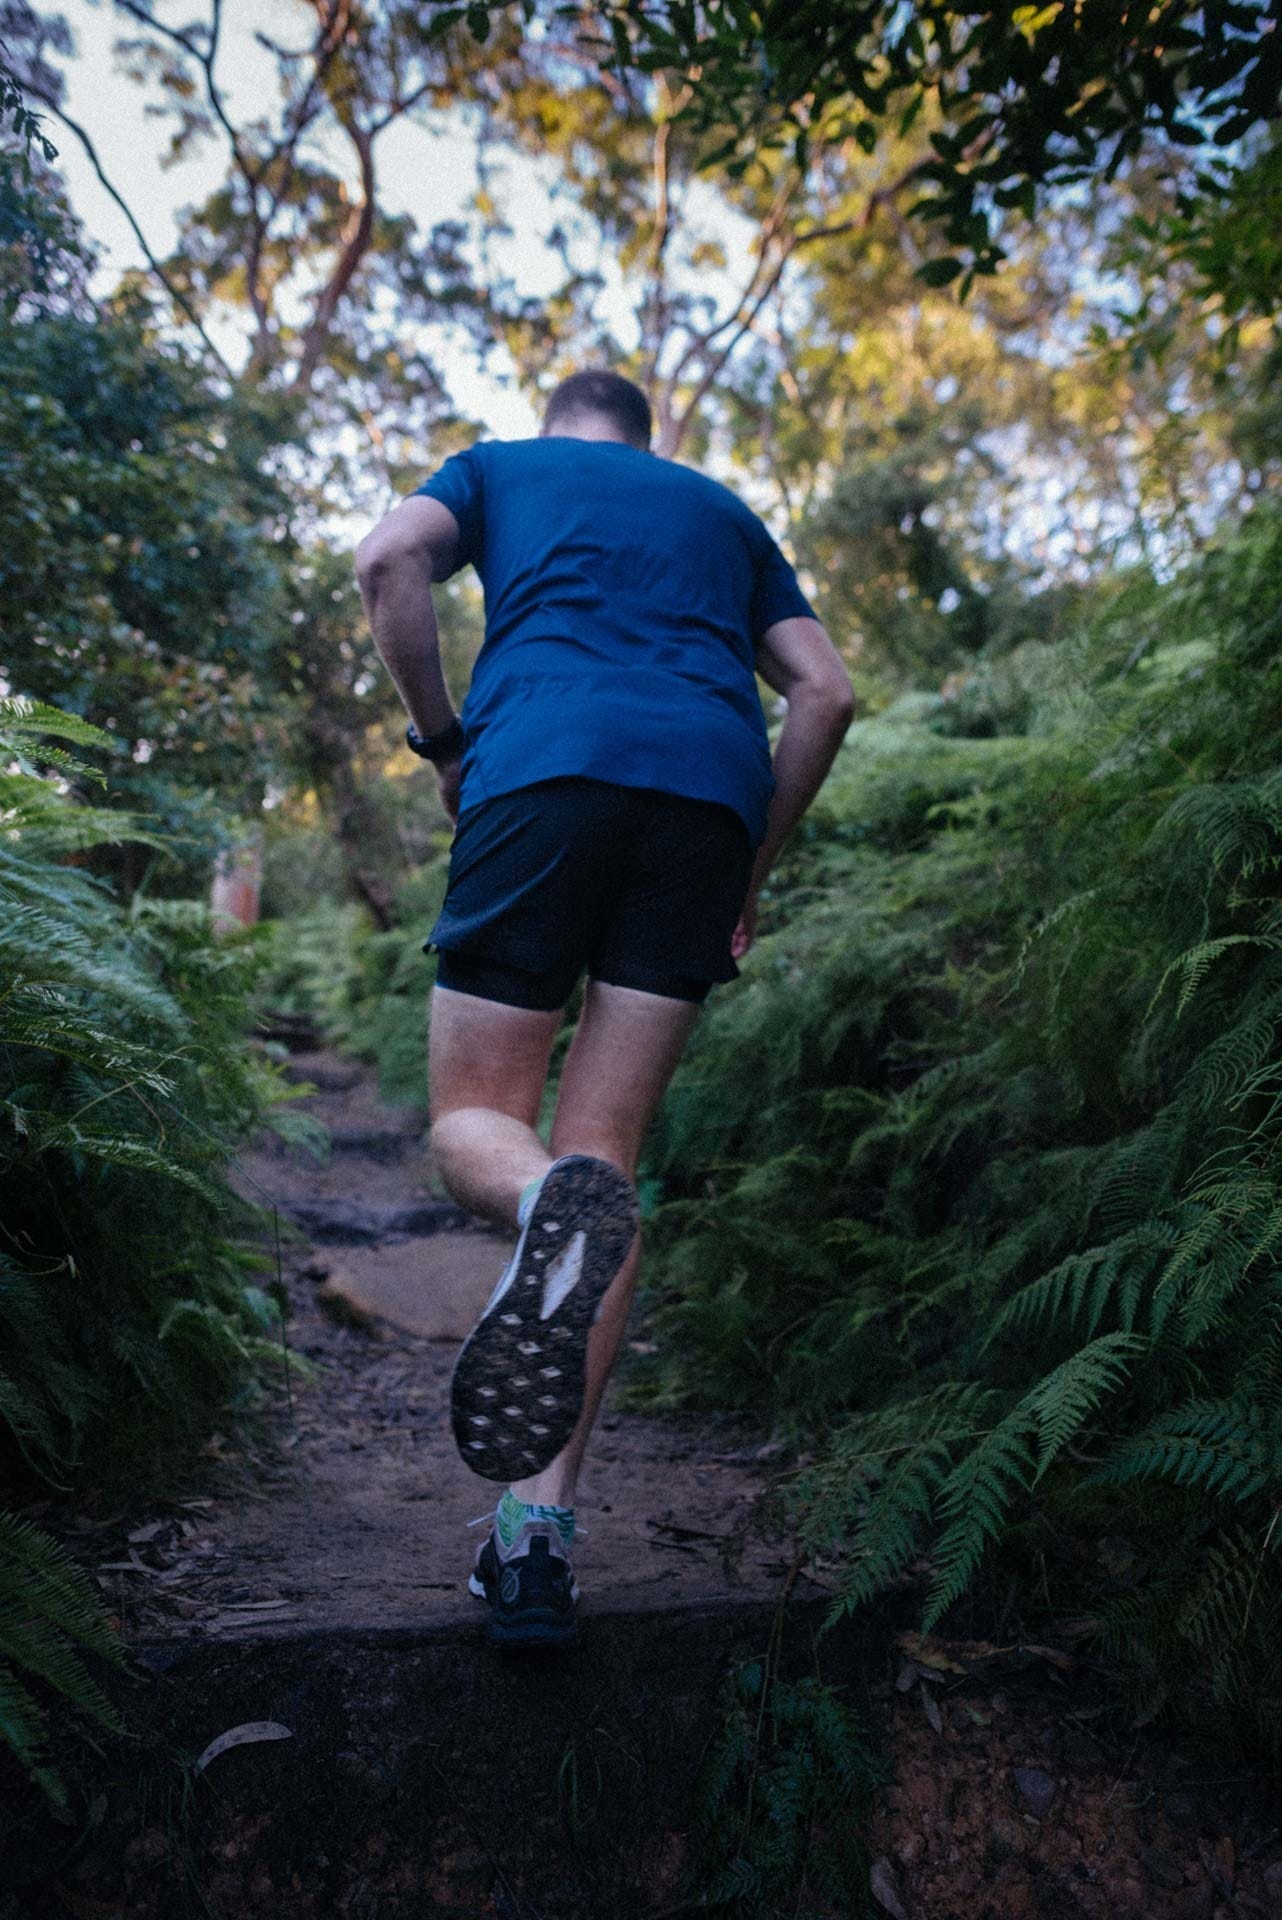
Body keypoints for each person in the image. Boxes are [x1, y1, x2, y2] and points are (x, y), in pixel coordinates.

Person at [355, 370, 853, 1647]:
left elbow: (389, 560)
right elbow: (826, 694)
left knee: (478, 1117)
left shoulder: (498, 470)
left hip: (541, 771)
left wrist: (441, 742)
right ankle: (534, 1546)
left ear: (551, 420)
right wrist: (746, 864)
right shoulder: (721, 512)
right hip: (704, 796)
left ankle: (534, 1213)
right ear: (651, 439)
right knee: (605, 1164)